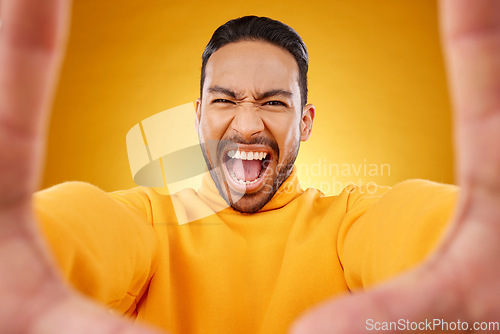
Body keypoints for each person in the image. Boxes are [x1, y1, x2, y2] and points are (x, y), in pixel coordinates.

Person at [1, 0, 499, 333]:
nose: (245, 125)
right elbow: (79, 227)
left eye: (273, 103)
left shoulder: (349, 222)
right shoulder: (149, 220)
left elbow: (412, 222)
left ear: (305, 122)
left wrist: (475, 247)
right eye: (225, 100)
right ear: (198, 117)